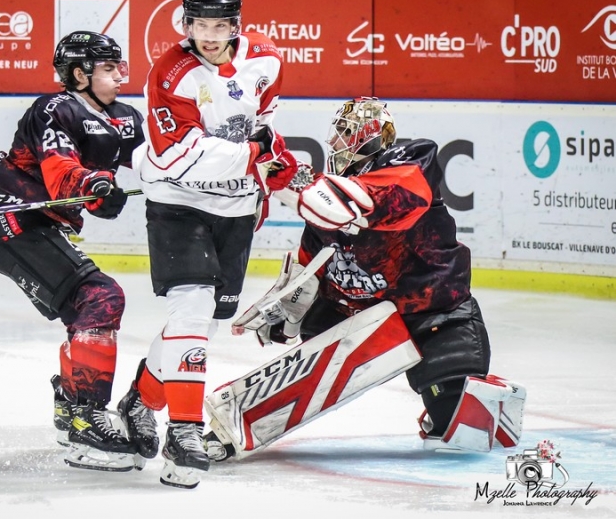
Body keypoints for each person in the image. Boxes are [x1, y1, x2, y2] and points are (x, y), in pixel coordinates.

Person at [205, 97, 526, 459]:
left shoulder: (412, 161)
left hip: (429, 313)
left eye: (345, 132)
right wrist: (284, 309)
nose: (335, 141)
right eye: (336, 132)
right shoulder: (326, 196)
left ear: (373, 137)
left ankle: (470, 395)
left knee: (462, 427)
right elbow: (312, 265)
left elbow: (361, 204)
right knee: (314, 334)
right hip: (355, 313)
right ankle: (244, 420)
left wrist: (289, 177)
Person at [115, 0, 297, 488]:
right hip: (179, 201)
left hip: (235, 208)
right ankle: (185, 430)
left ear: (235, 25)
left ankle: (140, 401)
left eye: (220, 25)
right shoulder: (171, 73)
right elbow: (182, 156)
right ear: (186, 24)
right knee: (191, 308)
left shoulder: (266, 59)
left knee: (204, 323)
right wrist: (257, 156)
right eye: (200, 24)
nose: (210, 35)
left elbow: (264, 121)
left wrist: (272, 166)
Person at [0, 31, 146, 472]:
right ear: (79, 74)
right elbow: (61, 172)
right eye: (108, 68)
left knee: (85, 308)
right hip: (9, 219)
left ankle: (72, 409)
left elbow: (161, 162)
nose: (120, 75)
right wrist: (93, 186)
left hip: (40, 224)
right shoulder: (55, 108)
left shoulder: (125, 116)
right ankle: (87, 417)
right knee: (99, 298)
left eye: (119, 66)